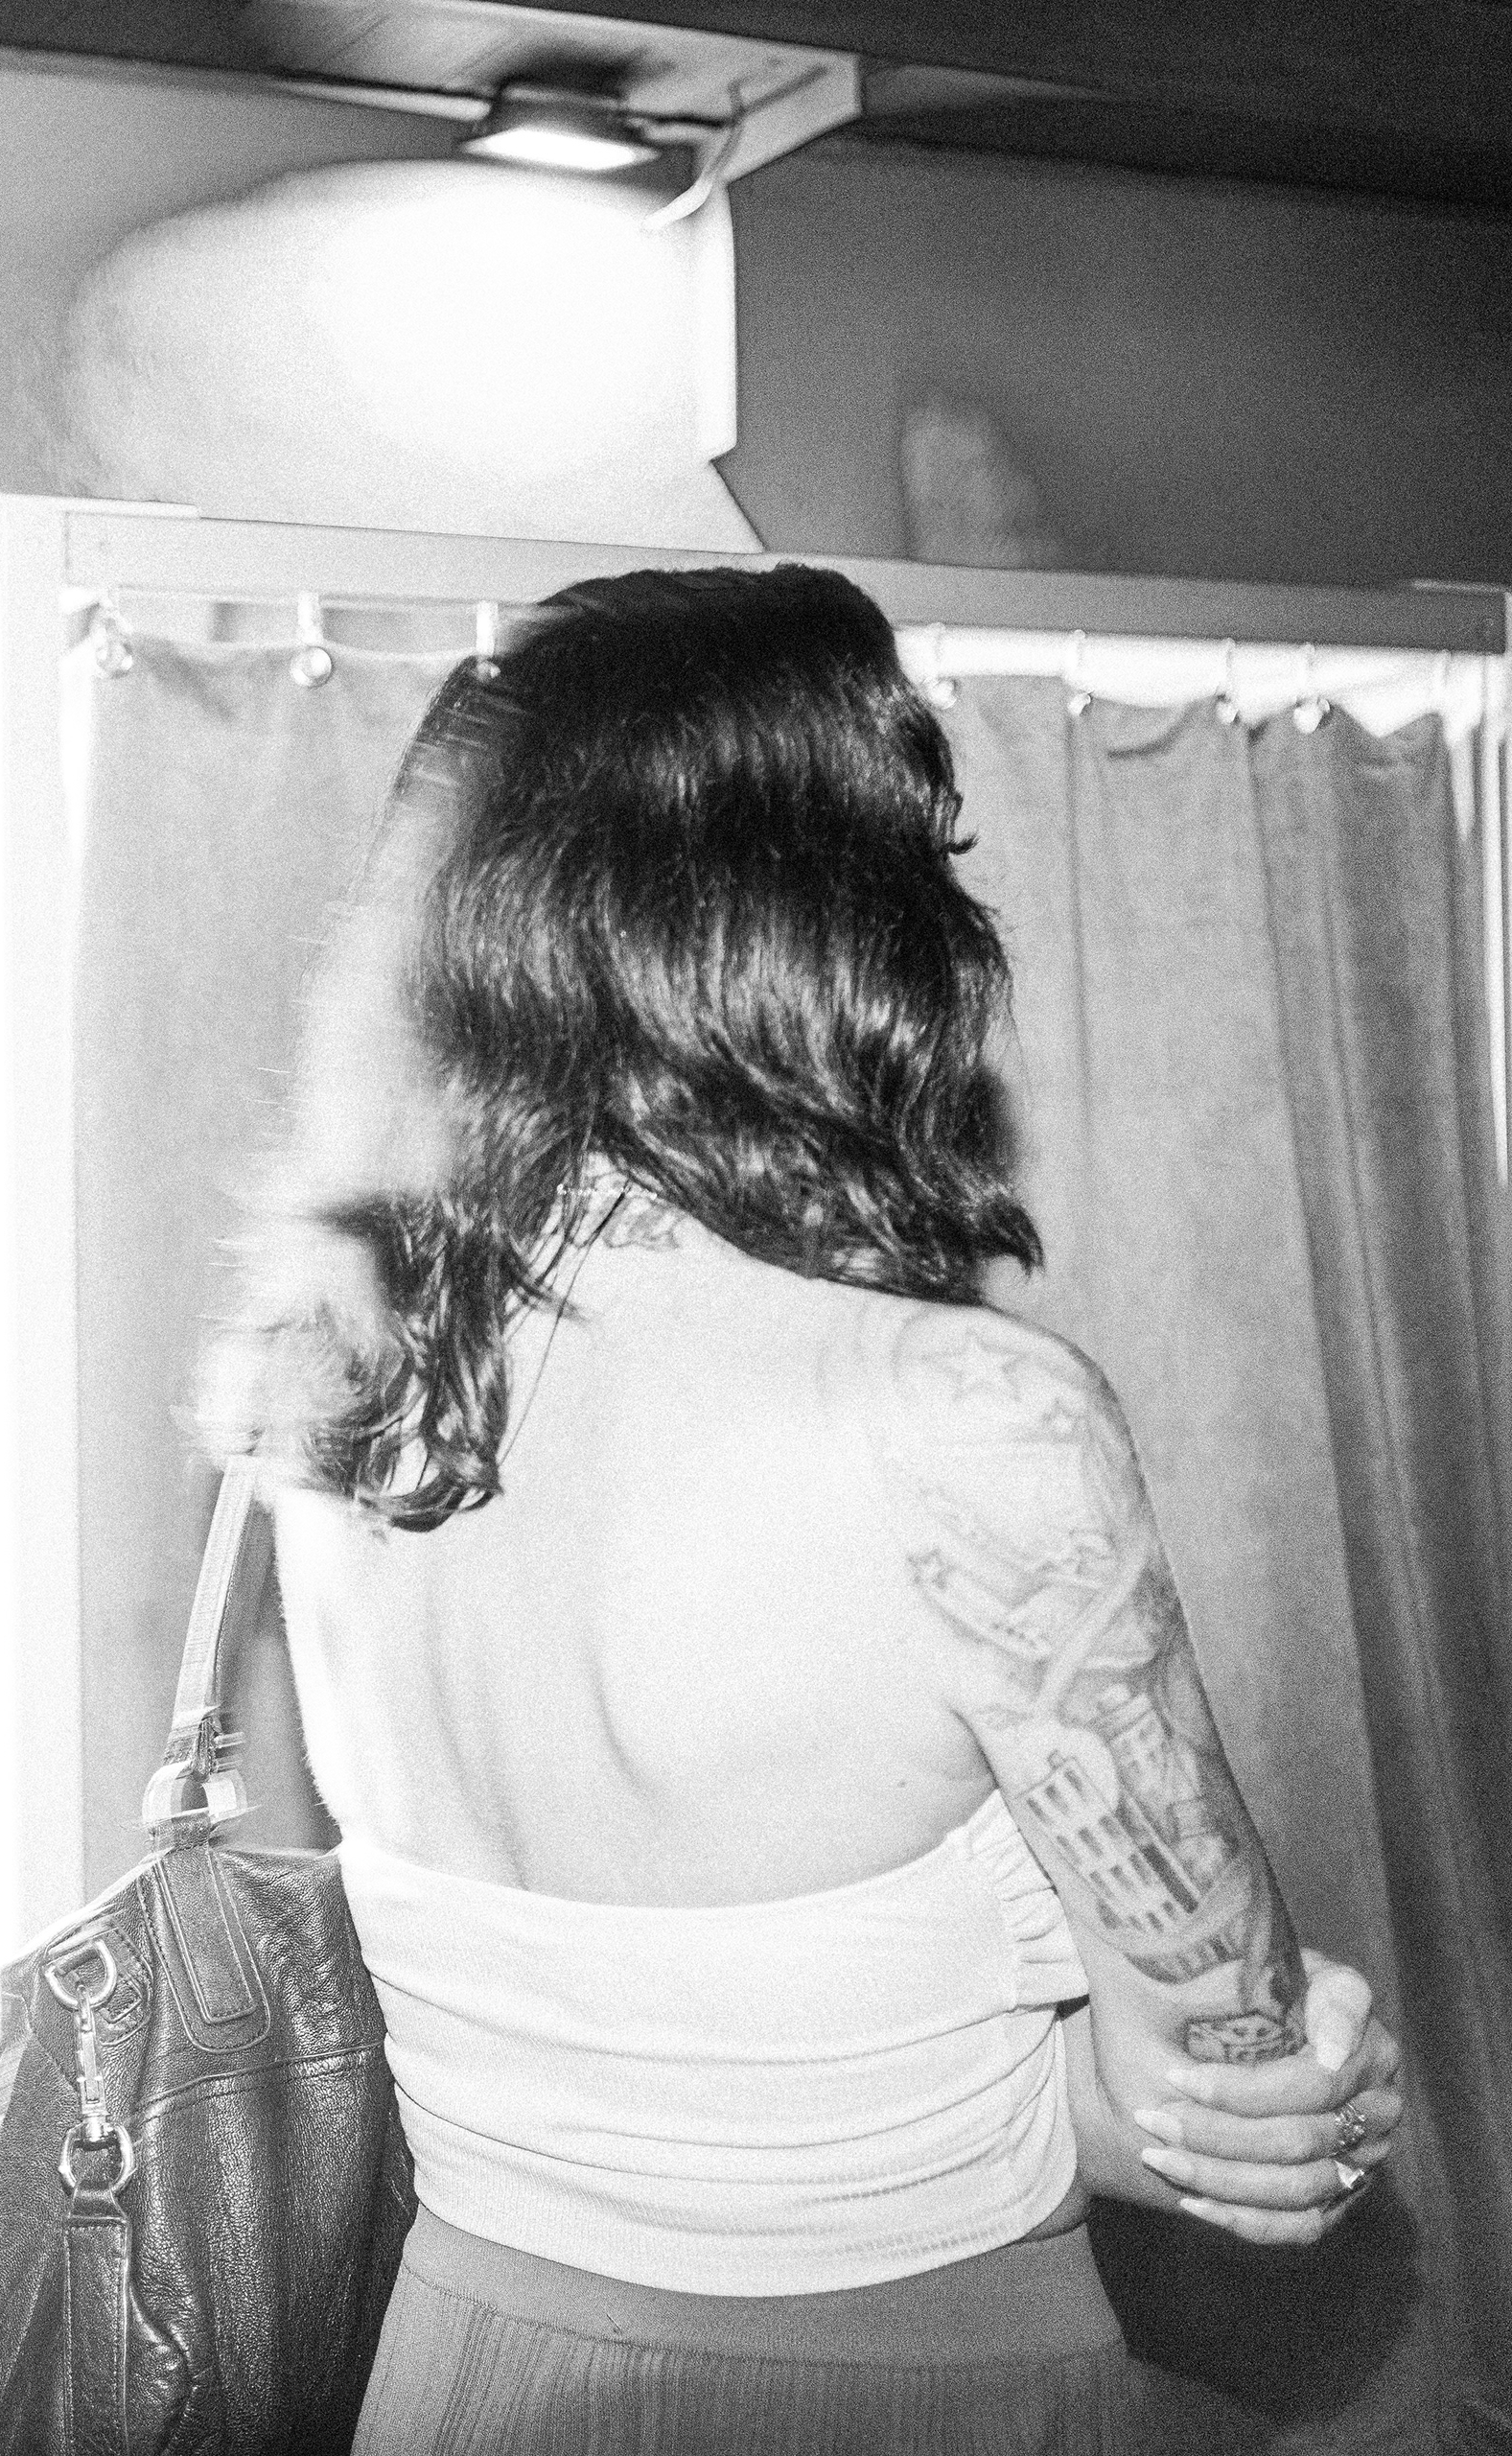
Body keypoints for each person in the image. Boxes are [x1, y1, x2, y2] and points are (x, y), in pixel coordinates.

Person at [204, 566, 1410, 2453]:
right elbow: (1227, 2113)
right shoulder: (970, 1424)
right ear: (824, 917)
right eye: (926, 863)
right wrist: (1301, 2070)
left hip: (465, 2383)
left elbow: (677, 2099)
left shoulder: (325, 1396)